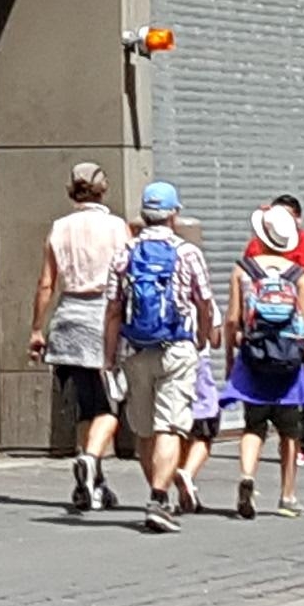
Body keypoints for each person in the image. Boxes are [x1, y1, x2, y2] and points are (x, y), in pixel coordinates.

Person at [114, 181, 223, 532]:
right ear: (173, 214)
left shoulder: (125, 251)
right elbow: (204, 301)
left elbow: (113, 309)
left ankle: (155, 495)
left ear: (144, 215)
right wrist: (204, 337)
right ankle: (159, 500)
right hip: (176, 348)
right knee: (170, 427)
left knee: (145, 431)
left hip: (134, 350)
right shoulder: (188, 253)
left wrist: (107, 356)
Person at [28, 163, 134, 515]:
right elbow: (129, 275)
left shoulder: (58, 228)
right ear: (103, 190)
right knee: (109, 406)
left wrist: (37, 329)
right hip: (102, 317)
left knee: (85, 403)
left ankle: (92, 482)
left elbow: (47, 283)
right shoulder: (116, 227)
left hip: (68, 317)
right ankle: (90, 459)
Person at [219, 198, 304, 517]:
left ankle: (247, 476)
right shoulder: (299, 275)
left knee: (254, 426)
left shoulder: (243, 270)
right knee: (290, 432)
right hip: (290, 363)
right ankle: (287, 495)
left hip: (254, 357)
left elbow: (233, 318)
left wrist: (229, 359)